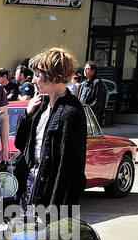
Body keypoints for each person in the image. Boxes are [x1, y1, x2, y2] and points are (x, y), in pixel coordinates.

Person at [13, 47, 86, 212]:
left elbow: (69, 166)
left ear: (53, 77)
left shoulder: (71, 111)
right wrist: (26, 115)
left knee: (43, 235)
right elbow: (20, 144)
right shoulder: (40, 104)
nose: (33, 81)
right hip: (31, 184)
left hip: (50, 193)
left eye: (38, 76)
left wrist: (55, 210)